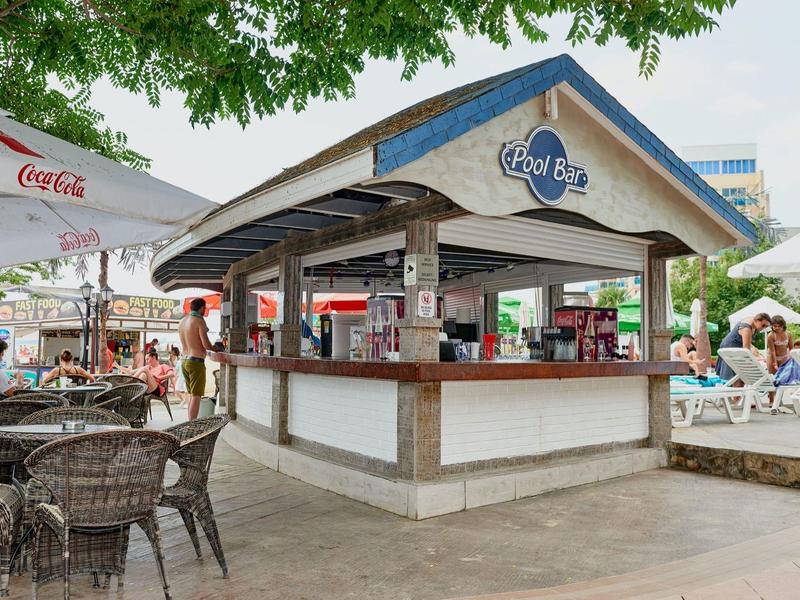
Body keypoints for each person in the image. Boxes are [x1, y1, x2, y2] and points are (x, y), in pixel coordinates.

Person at [179, 297, 213, 420]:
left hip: (184, 360)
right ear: (202, 308)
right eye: (205, 308)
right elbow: (206, 344)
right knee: (196, 395)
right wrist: (215, 348)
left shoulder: (182, 321)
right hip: (196, 361)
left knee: (191, 394)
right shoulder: (199, 321)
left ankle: (189, 422)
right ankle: (192, 424)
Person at [716, 312, 772, 382]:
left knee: (741, 376)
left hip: (735, 349)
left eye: (766, 326)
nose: (764, 328)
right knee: (736, 377)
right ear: (757, 320)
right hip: (731, 349)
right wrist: (755, 361)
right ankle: (736, 392)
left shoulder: (753, 321)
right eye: (763, 325)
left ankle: (738, 391)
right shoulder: (746, 328)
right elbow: (746, 350)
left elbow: (748, 344)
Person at [768, 315, 800, 386]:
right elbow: (772, 350)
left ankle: (780, 397)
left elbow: (792, 349)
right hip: (772, 357)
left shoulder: (788, 334)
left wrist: (794, 360)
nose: (777, 328)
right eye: (775, 326)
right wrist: (775, 363)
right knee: (772, 380)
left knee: (782, 380)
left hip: (784, 357)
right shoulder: (771, 335)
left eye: (779, 326)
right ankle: (771, 397)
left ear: (783, 325)